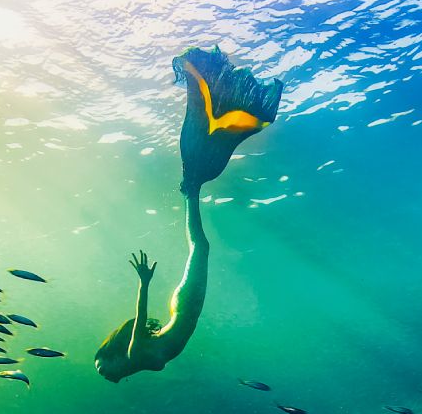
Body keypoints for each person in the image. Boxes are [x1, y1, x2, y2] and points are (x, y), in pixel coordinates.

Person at [94, 47, 282, 383]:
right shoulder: (142, 359)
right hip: (181, 307)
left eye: (102, 367)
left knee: (201, 246)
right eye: (105, 371)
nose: (105, 373)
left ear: (115, 356)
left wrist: (144, 284)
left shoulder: (137, 354)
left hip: (182, 306)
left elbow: (140, 319)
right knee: (201, 245)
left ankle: (190, 195)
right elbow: (140, 325)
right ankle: (190, 193)